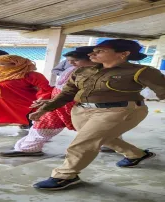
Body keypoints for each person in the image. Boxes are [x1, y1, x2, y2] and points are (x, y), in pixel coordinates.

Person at [29, 39, 164, 190]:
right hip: (81, 110)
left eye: (100, 51)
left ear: (124, 54)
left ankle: (65, 175)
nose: (91, 54)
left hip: (118, 111)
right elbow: (67, 93)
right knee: (102, 138)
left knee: (84, 142)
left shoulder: (142, 71)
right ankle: (136, 154)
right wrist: (46, 108)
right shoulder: (83, 71)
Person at [0, 46, 96, 157]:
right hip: (58, 103)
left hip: (80, 107)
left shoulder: (99, 73)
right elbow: (62, 89)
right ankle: (29, 148)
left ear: (92, 58)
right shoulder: (74, 69)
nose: (71, 63)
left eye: (76, 60)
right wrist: (49, 101)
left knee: (93, 129)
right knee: (43, 124)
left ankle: (113, 146)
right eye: (69, 61)